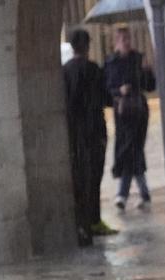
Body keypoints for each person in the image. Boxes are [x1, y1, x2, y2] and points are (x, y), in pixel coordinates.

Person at [63, 29, 117, 245]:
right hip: (94, 132)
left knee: (78, 179)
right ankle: (93, 221)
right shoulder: (94, 70)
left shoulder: (65, 71)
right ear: (87, 46)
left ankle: (81, 224)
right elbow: (106, 98)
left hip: (75, 134)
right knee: (93, 178)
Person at [104, 26, 156, 212]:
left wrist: (148, 71)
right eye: (121, 39)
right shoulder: (111, 63)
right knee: (129, 150)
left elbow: (150, 86)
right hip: (122, 113)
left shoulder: (138, 59)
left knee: (133, 149)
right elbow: (106, 91)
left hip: (139, 111)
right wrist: (119, 91)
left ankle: (123, 195)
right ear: (115, 42)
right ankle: (142, 193)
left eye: (128, 38)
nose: (125, 42)